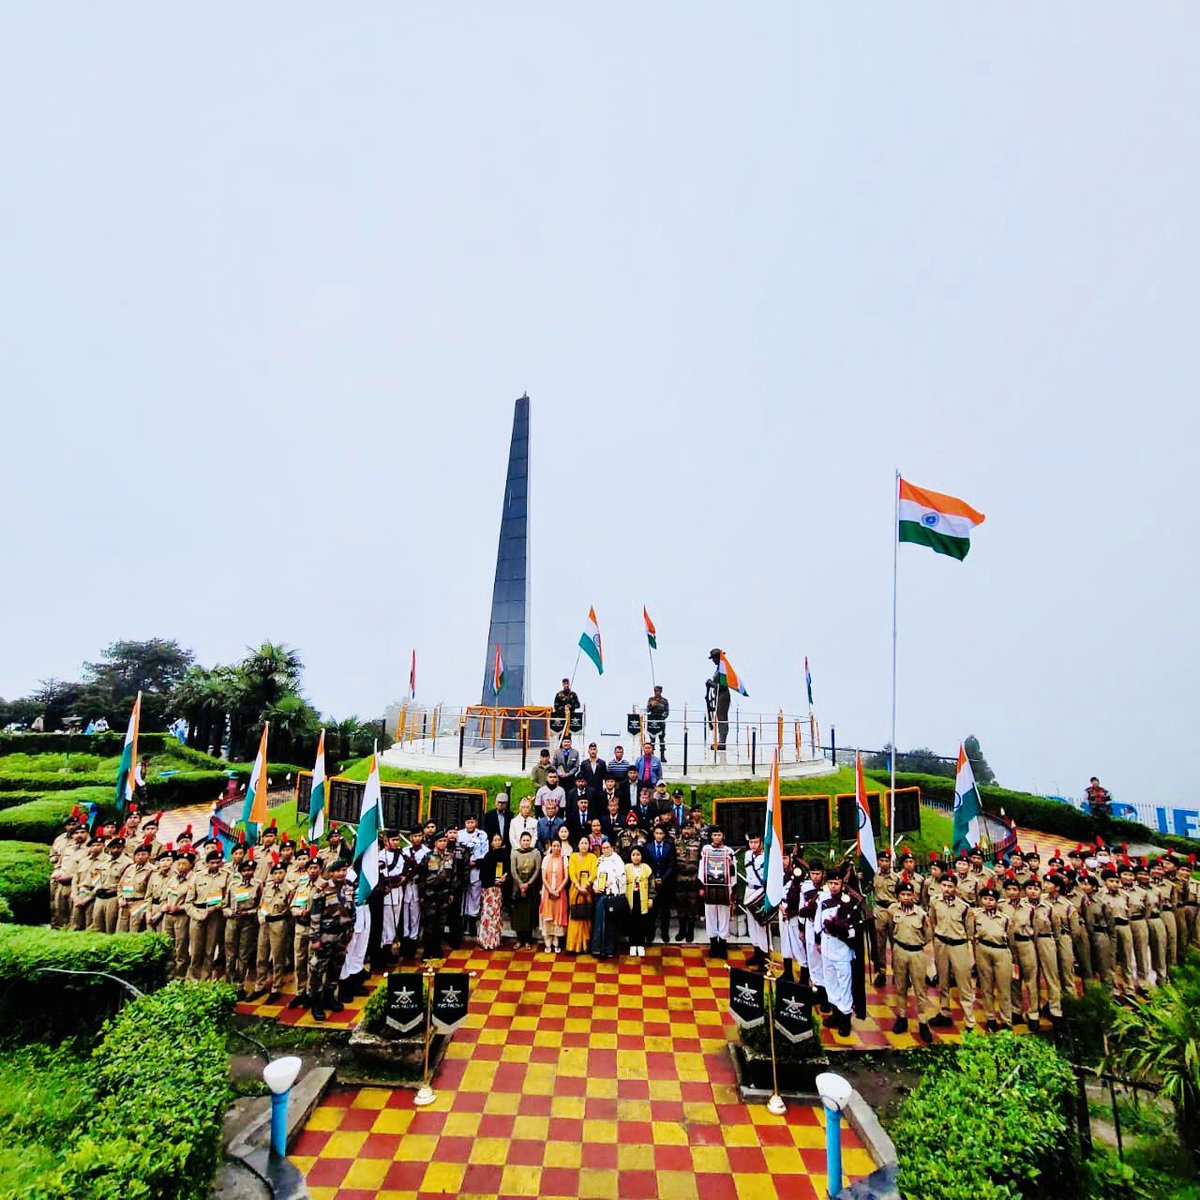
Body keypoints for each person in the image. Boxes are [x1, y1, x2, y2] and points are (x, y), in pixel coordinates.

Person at [878, 880, 932, 1042]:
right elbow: (886, 927)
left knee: (920, 989)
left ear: (914, 896)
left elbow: (928, 936)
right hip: (899, 951)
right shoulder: (892, 910)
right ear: (898, 896)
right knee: (900, 986)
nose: (906, 897)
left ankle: (923, 1022)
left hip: (917, 953)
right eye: (903, 895)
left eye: (909, 895)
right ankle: (901, 1017)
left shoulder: (922, 915)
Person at [308, 860, 357, 1022]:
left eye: (344, 870)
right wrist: (315, 938)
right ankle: (316, 1003)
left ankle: (329, 997)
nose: (341, 874)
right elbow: (315, 916)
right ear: (331, 873)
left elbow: (352, 910)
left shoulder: (349, 887)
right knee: (318, 970)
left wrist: (350, 932)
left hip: (342, 936)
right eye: (338, 871)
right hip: (325, 936)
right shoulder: (322, 890)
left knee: (335, 969)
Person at [817, 871, 863, 1038]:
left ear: (842, 884)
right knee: (831, 983)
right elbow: (818, 921)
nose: (833, 887)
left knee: (844, 986)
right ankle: (836, 1014)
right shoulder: (824, 900)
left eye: (836, 884)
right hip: (827, 948)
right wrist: (818, 940)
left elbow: (854, 930)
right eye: (830, 883)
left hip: (842, 950)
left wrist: (841, 929)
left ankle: (845, 1019)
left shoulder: (849, 903)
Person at [928, 875, 977, 1032]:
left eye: (950, 886)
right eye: (944, 885)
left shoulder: (964, 907)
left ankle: (969, 1020)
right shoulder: (935, 902)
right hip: (941, 943)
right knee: (943, 980)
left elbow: (969, 930)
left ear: (956, 888)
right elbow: (933, 920)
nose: (947, 889)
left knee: (964, 982)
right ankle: (944, 1012)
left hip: (959, 945)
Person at [973, 887, 1014, 1032]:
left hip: (1001, 952)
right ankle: (990, 1017)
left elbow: (1011, 940)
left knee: (1004, 988)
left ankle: (1006, 1020)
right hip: (983, 950)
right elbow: (972, 934)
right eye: (985, 899)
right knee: (986, 987)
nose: (988, 902)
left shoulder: (1004, 919)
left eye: (991, 900)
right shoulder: (976, 916)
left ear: (997, 902)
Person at [287, 852, 324, 1007]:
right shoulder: (301, 886)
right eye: (310, 868)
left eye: (316, 868)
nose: (312, 871)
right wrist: (298, 912)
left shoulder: (324, 886)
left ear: (320, 869)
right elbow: (293, 906)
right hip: (300, 927)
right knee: (299, 961)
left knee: (313, 963)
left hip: (315, 929)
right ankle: (300, 991)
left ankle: (312, 992)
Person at [187, 847, 229, 981]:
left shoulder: (226, 876)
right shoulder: (197, 876)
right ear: (207, 863)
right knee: (195, 950)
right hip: (198, 914)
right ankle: (193, 979)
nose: (215, 865)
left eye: (218, 862)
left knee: (210, 950)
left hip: (215, 916)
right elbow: (188, 902)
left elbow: (227, 898)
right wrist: (198, 915)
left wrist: (216, 907)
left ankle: (205, 980)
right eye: (212, 863)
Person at [224, 857, 262, 999]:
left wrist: (248, 912)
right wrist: (229, 913)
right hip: (232, 922)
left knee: (243, 955)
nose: (247, 873)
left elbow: (260, 905)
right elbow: (224, 905)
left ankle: (240, 985)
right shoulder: (233, 885)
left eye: (250, 870)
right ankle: (228, 984)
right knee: (230, 954)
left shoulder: (257, 885)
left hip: (248, 922)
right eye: (245, 870)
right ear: (240, 872)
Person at [256, 858, 292, 1002]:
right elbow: (262, 905)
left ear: (285, 873)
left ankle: (276, 987)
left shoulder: (289, 889)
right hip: (265, 924)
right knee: (261, 955)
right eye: (275, 873)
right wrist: (260, 915)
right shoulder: (267, 888)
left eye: (280, 872)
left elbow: (289, 909)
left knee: (278, 956)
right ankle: (260, 985)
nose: (278, 875)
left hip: (278, 923)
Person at [699, 827, 737, 958]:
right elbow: (701, 868)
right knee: (710, 916)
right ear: (711, 837)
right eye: (714, 835)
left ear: (723, 836)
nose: (717, 837)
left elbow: (733, 870)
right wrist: (701, 885)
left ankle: (722, 945)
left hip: (725, 889)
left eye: (719, 834)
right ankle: (713, 945)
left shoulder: (729, 851)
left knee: (724, 916)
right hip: (709, 887)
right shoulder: (705, 850)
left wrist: (733, 887)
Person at [421, 832, 456, 959]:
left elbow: (453, 875)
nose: (443, 843)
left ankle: (437, 949)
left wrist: (451, 892)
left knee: (440, 923)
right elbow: (423, 876)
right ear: (435, 843)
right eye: (440, 841)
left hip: (444, 893)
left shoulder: (450, 856)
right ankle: (427, 950)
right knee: (429, 923)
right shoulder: (429, 856)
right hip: (430, 894)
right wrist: (422, 894)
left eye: (444, 841)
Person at [591, 840, 627, 959]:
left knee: (611, 925)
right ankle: (598, 950)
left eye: (608, 847)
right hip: (601, 895)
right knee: (599, 923)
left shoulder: (617, 860)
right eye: (603, 848)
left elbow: (622, 878)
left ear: (612, 848)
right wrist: (596, 886)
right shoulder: (599, 860)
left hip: (613, 896)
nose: (605, 850)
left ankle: (610, 949)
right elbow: (595, 876)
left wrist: (611, 884)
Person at [741, 833, 771, 970]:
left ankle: (764, 957)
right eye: (751, 842)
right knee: (751, 923)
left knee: (761, 924)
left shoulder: (766, 857)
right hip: (749, 890)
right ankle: (757, 952)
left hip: (761, 891)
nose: (753, 845)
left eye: (755, 842)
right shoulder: (748, 855)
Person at [674, 808, 704, 942]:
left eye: (689, 828)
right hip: (679, 879)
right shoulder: (675, 842)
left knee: (692, 906)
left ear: (692, 830)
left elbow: (702, 861)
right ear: (681, 830)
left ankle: (690, 931)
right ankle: (681, 930)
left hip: (693, 878)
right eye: (684, 829)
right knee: (680, 906)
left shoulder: (698, 843)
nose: (686, 831)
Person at [510, 831, 542, 949]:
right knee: (518, 914)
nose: (526, 842)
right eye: (524, 840)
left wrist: (528, 884)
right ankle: (519, 939)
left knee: (529, 914)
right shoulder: (515, 853)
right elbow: (513, 870)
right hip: (517, 887)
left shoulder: (536, 853)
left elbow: (537, 870)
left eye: (528, 840)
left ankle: (528, 940)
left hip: (531, 887)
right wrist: (521, 884)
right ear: (520, 841)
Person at [457, 815, 489, 937]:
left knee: (475, 895)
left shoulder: (482, 835)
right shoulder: (459, 835)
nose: (470, 824)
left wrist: (476, 862)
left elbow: (484, 851)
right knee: (463, 895)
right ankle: (462, 920)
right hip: (462, 869)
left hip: (476, 868)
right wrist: (465, 863)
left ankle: (472, 922)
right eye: (468, 822)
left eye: (472, 822)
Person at [644, 825, 676, 943]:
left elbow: (671, 865)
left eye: (661, 833)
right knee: (652, 910)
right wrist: (654, 879)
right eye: (656, 833)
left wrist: (662, 878)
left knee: (665, 910)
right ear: (654, 834)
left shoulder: (669, 847)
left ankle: (664, 932)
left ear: (664, 835)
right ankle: (650, 932)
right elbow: (646, 865)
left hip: (665, 883)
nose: (658, 835)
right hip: (651, 883)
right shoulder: (648, 847)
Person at [116, 838, 154, 933]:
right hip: (125, 903)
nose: (140, 857)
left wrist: (145, 908)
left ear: (149, 856)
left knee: (134, 931)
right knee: (121, 931)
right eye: (138, 855)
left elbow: (150, 893)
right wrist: (120, 898)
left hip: (139, 903)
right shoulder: (130, 869)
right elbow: (121, 886)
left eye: (143, 854)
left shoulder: (152, 870)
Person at [477, 834, 508, 950]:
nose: (497, 842)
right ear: (491, 843)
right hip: (489, 889)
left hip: (499, 889)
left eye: (499, 839)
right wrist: (492, 881)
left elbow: (508, 870)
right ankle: (486, 940)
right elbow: (483, 875)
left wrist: (505, 876)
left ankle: (496, 940)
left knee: (497, 915)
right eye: (495, 840)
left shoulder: (505, 855)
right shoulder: (488, 856)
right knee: (487, 914)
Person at [567, 837, 597, 954]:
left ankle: (585, 946)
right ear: (578, 845)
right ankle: (573, 946)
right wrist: (578, 886)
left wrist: (587, 884)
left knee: (586, 917)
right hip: (575, 890)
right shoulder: (573, 856)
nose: (584, 845)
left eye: (586, 843)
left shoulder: (593, 857)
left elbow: (594, 872)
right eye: (582, 843)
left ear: (589, 845)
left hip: (588, 890)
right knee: (575, 916)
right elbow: (572, 873)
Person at [540, 839, 569, 952]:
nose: (556, 848)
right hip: (547, 891)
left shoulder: (564, 859)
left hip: (560, 892)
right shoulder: (546, 859)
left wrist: (558, 889)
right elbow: (543, 877)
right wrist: (550, 890)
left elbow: (566, 877)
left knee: (558, 916)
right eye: (554, 846)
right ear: (551, 847)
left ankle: (556, 942)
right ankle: (548, 942)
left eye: (558, 846)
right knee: (548, 916)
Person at [624, 847, 655, 956]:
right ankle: (632, 944)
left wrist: (651, 898)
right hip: (630, 899)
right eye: (633, 854)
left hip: (643, 899)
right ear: (630, 856)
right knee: (632, 922)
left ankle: (641, 944)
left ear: (642, 856)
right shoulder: (626, 868)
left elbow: (652, 885)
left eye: (638, 854)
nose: (636, 857)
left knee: (642, 922)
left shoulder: (646, 868)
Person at [706, 648, 732, 752]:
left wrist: (711, 683)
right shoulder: (719, 669)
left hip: (723, 695)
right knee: (719, 716)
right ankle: (721, 741)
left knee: (722, 717)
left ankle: (722, 742)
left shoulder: (723, 670)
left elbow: (722, 685)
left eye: (714, 658)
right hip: (718, 695)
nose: (713, 661)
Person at [645, 686, 670, 760]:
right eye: (655, 691)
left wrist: (663, 717)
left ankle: (662, 755)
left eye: (658, 691)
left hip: (660, 720)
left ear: (661, 691)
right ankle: (651, 754)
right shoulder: (651, 699)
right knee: (652, 738)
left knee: (662, 738)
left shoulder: (664, 701)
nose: (656, 692)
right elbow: (647, 710)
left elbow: (667, 711)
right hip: (652, 719)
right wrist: (651, 705)